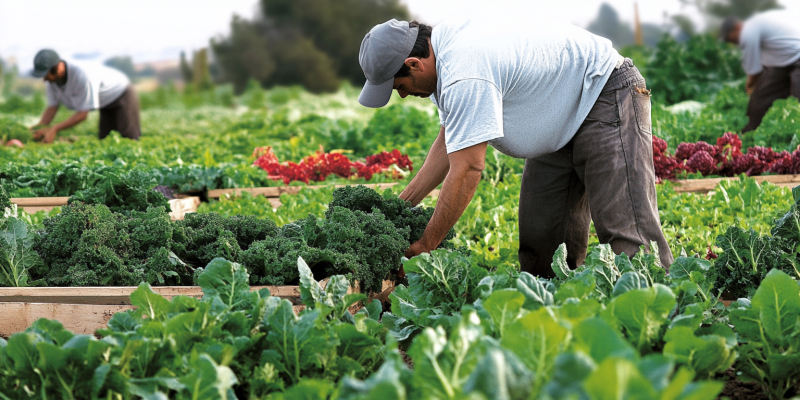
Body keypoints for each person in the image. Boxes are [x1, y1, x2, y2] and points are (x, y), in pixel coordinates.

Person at [357, 15, 673, 278]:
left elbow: (467, 168)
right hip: (557, 109)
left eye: (400, 87)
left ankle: (661, 324)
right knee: (542, 246)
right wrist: (398, 210)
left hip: (603, 91)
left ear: (414, 64)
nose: (401, 95)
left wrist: (425, 245)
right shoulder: (444, 63)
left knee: (628, 235)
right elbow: (447, 146)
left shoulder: (463, 68)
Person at [29, 49, 141, 143]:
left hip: (121, 93)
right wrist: (40, 127)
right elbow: (52, 107)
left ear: (57, 68)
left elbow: (83, 114)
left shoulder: (82, 75)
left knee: (128, 138)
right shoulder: (52, 81)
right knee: (105, 140)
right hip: (104, 101)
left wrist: (55, 129)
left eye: (45, 74)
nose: (44, 79)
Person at [721, 11, 800, 132]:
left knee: (798, 101)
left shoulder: (748, 31)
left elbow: (754, 70)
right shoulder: (755, 25)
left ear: (736, 27)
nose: (731, 42)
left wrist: (750, 84)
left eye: (729, 38)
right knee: (760, 100)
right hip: (781, 64)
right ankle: (750, 137)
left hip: (797, 57)